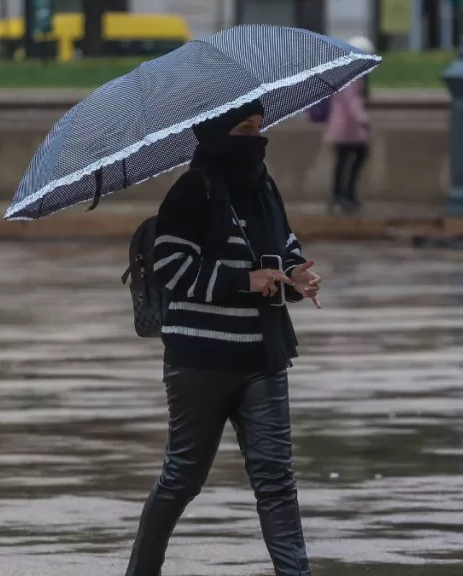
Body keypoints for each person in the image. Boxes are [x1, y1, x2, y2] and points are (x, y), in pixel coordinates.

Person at [125, 100, 322, 576]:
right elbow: (172, 268)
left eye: (259, 128)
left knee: (276, 481)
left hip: (264, 354)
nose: (256, 139)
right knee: (181, 478)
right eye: (244, 129)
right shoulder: (192, 190)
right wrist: (244, 280)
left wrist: (295, 273)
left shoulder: (264, 188)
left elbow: (283, 241)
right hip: (201, 361)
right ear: (216, 135)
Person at [324, 36, 374, 215]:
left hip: (344, 126)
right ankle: (344, 195)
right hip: (348, 127)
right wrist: (363, 119)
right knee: (353, 157)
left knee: (344, 160)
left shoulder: (344, 70)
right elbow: (353, 101)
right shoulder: (352, 73)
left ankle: (342, 195)